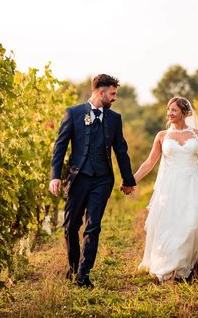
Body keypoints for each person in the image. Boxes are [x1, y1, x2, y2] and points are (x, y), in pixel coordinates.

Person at [49, 74, 136, 288]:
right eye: (113, 93)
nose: (115, 98)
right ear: (101, 92)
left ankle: (83, 274)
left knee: (93, 227)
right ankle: (72, 267)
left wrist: (128, 180)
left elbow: (121, 150)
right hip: (77, 179)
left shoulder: (114, 118)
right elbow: (60, 147)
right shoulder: (74, 113)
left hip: (102, 180)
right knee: (71, 226)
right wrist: (55, 176)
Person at [134, 96, 198, 282]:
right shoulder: (162, 136)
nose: (170, 113)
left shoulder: (197, 135)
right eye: (168, 110)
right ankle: (170, 268)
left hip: (192, 185)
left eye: (174, 110)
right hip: (169, 187)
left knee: (191, 224)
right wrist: (132, 180)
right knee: (170, 225)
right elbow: (150, 162)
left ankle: (186, 265)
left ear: (184, 113)